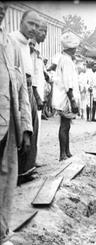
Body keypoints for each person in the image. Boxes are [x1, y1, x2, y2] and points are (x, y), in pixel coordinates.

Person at [0, 1, 32, 245]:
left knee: (6, 178)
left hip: (7, 122)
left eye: (3, 5)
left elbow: (20, 87)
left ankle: (2, 235)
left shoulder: (10, 44)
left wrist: (24, 125)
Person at [9, 9, 40, 182]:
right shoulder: (11, 40)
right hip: (17, 88)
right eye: (30, 23)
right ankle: (18, 173)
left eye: (37, 25)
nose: (33, 28)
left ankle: (27, 169)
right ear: (21, 21)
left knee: (32, 129)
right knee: (19, 131)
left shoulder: (27, 43)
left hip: (28, 88)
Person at [52, 32, 80, 161]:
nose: (75, 50)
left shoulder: (64, 59)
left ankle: (67, 151)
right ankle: (62, 154)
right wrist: (73, 101)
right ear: (71, 48)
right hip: (66, 99)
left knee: (67, 126)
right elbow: (68, 84)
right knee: (64, 126)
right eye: (75, 48)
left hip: (65, 97)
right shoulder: (67, 61)